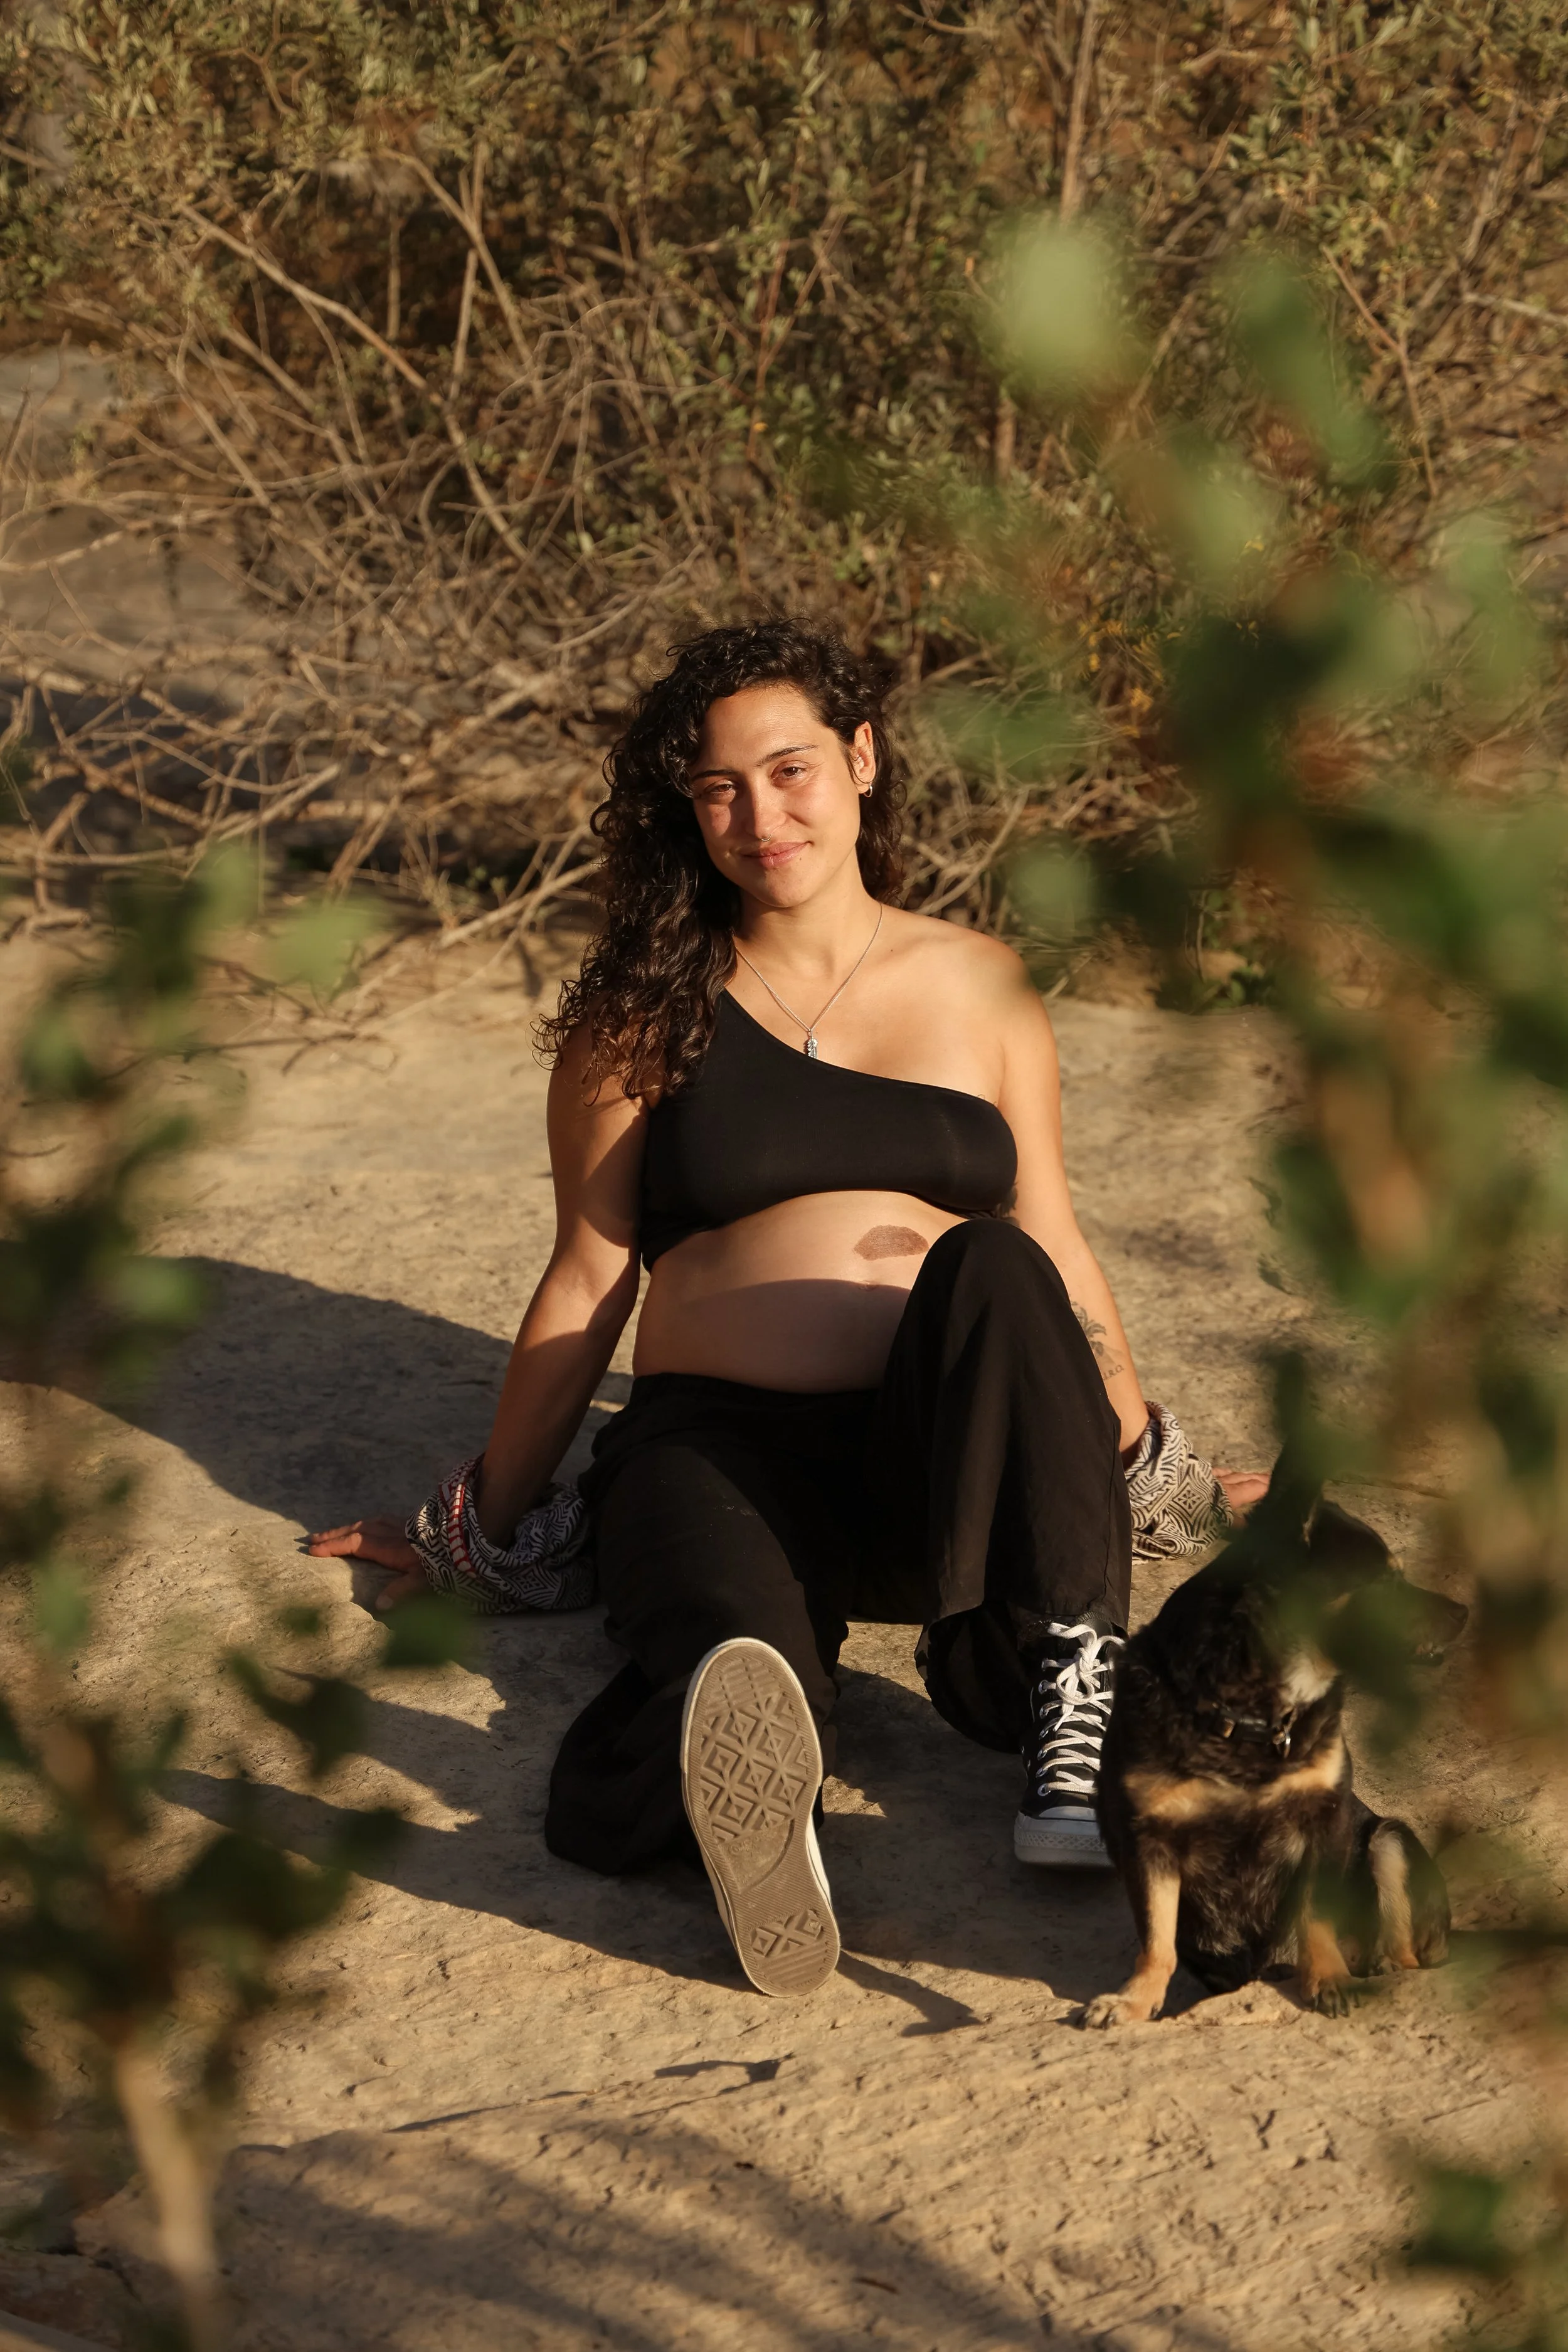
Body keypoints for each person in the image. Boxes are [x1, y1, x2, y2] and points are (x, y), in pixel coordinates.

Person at [311, 621, 1262, 1999]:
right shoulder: (641, 1009)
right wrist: (482, 1526)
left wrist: (1147, 1469)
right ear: (684, 810)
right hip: (720, 1446)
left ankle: (1058, 1695)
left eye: (792, 770)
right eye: (717, 789)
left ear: (862, 760)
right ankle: (757, 1817)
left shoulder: (977, 983)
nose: (762, 817)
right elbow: (588, 1273)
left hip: (947, 1451)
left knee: (994, 1265)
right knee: (729, 1659)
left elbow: (1050, 1237)